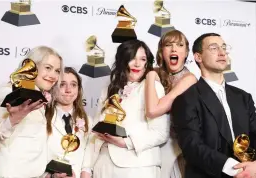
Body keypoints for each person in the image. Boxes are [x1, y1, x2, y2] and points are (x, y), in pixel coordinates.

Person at [171, 33, 256, 178]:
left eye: (224, 47)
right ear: (198, 57)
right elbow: (192, 146)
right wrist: (235, 168)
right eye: (213, 48)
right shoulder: (186, 99)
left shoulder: (243, 97)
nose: (222, 52)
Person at [81, 39, 169, 178]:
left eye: (142, 59)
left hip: (137, 167)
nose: (137, 64)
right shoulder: (108, 89)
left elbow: (160, 133)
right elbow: (96, 130)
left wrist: (125, 142)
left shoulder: (152, 86)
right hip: (102, 166)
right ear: (123, 60)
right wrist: (86, 168)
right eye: (132, 58)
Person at [0, 46, 63, 178]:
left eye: (57, 71)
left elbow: (33, 148)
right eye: (48, 68)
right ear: (32, 65)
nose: (53, 75)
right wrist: (12, 120)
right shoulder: (8, 93)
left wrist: (49, 175)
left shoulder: (42, 101)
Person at [145, 29, 197, 178]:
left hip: (175, 144)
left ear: (186, 52)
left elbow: (154, 110)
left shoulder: (189, 79)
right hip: (151, 140)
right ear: (161, 52)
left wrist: (150, 76)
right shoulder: (154, 72)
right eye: (169, 45)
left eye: (180, 45)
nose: (174, 49)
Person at [42, 67, 92, 178]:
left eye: (73, 85)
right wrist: (50, 176)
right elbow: (34, 156)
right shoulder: (42, 117)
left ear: (78, 90)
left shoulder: (88, 120)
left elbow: (87, 162)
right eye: (62, 84)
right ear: (53, 88)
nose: (68, 90)